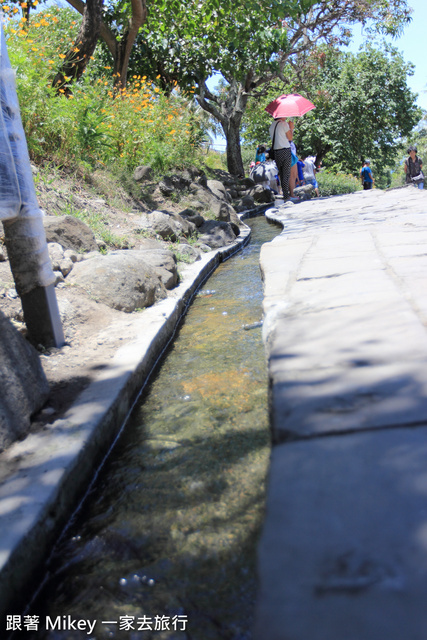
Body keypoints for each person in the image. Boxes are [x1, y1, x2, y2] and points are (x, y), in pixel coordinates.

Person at [269, 117, 293, 201]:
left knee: (281, 174)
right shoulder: (283, 124)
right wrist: (291, 129)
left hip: (276, 152)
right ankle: (286, 195)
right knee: (286, 174)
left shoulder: (272, 125)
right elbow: (290, 138)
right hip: (285, 150)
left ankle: (285, 194)